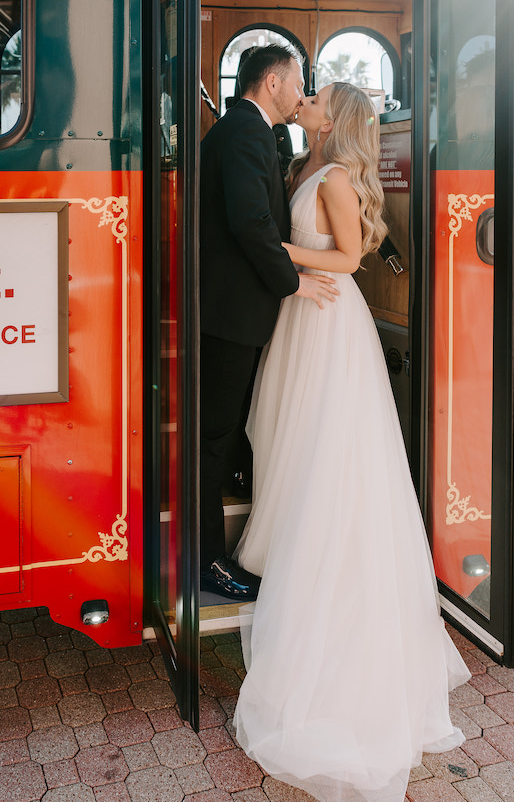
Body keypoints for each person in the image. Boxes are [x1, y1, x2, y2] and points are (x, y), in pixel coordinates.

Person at [233, 82, 471, 802]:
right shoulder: (301, 165)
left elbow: (352, 257)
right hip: (299, 318)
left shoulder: (334, 178)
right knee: (284, 434)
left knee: (328, 451)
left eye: (315, 97)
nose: (304, 99)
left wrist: (276, 251)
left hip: (330, 320)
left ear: (330, 119)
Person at [199, 45, 338, 601]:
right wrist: (294, 282)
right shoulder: (245, 131)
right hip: (232, 312)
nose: (303, 92)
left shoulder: (248, 131)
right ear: (273, 80)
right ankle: (208, 563)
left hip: (235, 310)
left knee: (226, 429)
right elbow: (251, 220)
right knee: (212, 438)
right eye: (299, 80)